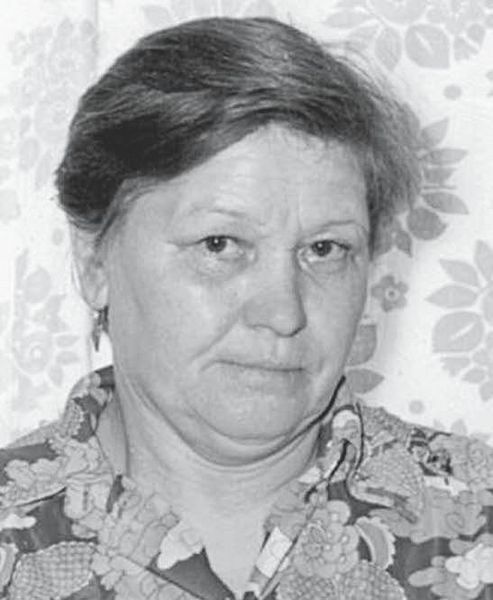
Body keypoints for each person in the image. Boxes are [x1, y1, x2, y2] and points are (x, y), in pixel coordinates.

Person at [0, 15, 492, 600]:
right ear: (94, 263)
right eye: (220, 245)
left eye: (325, 249)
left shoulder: (475, 525)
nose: (283, 313)